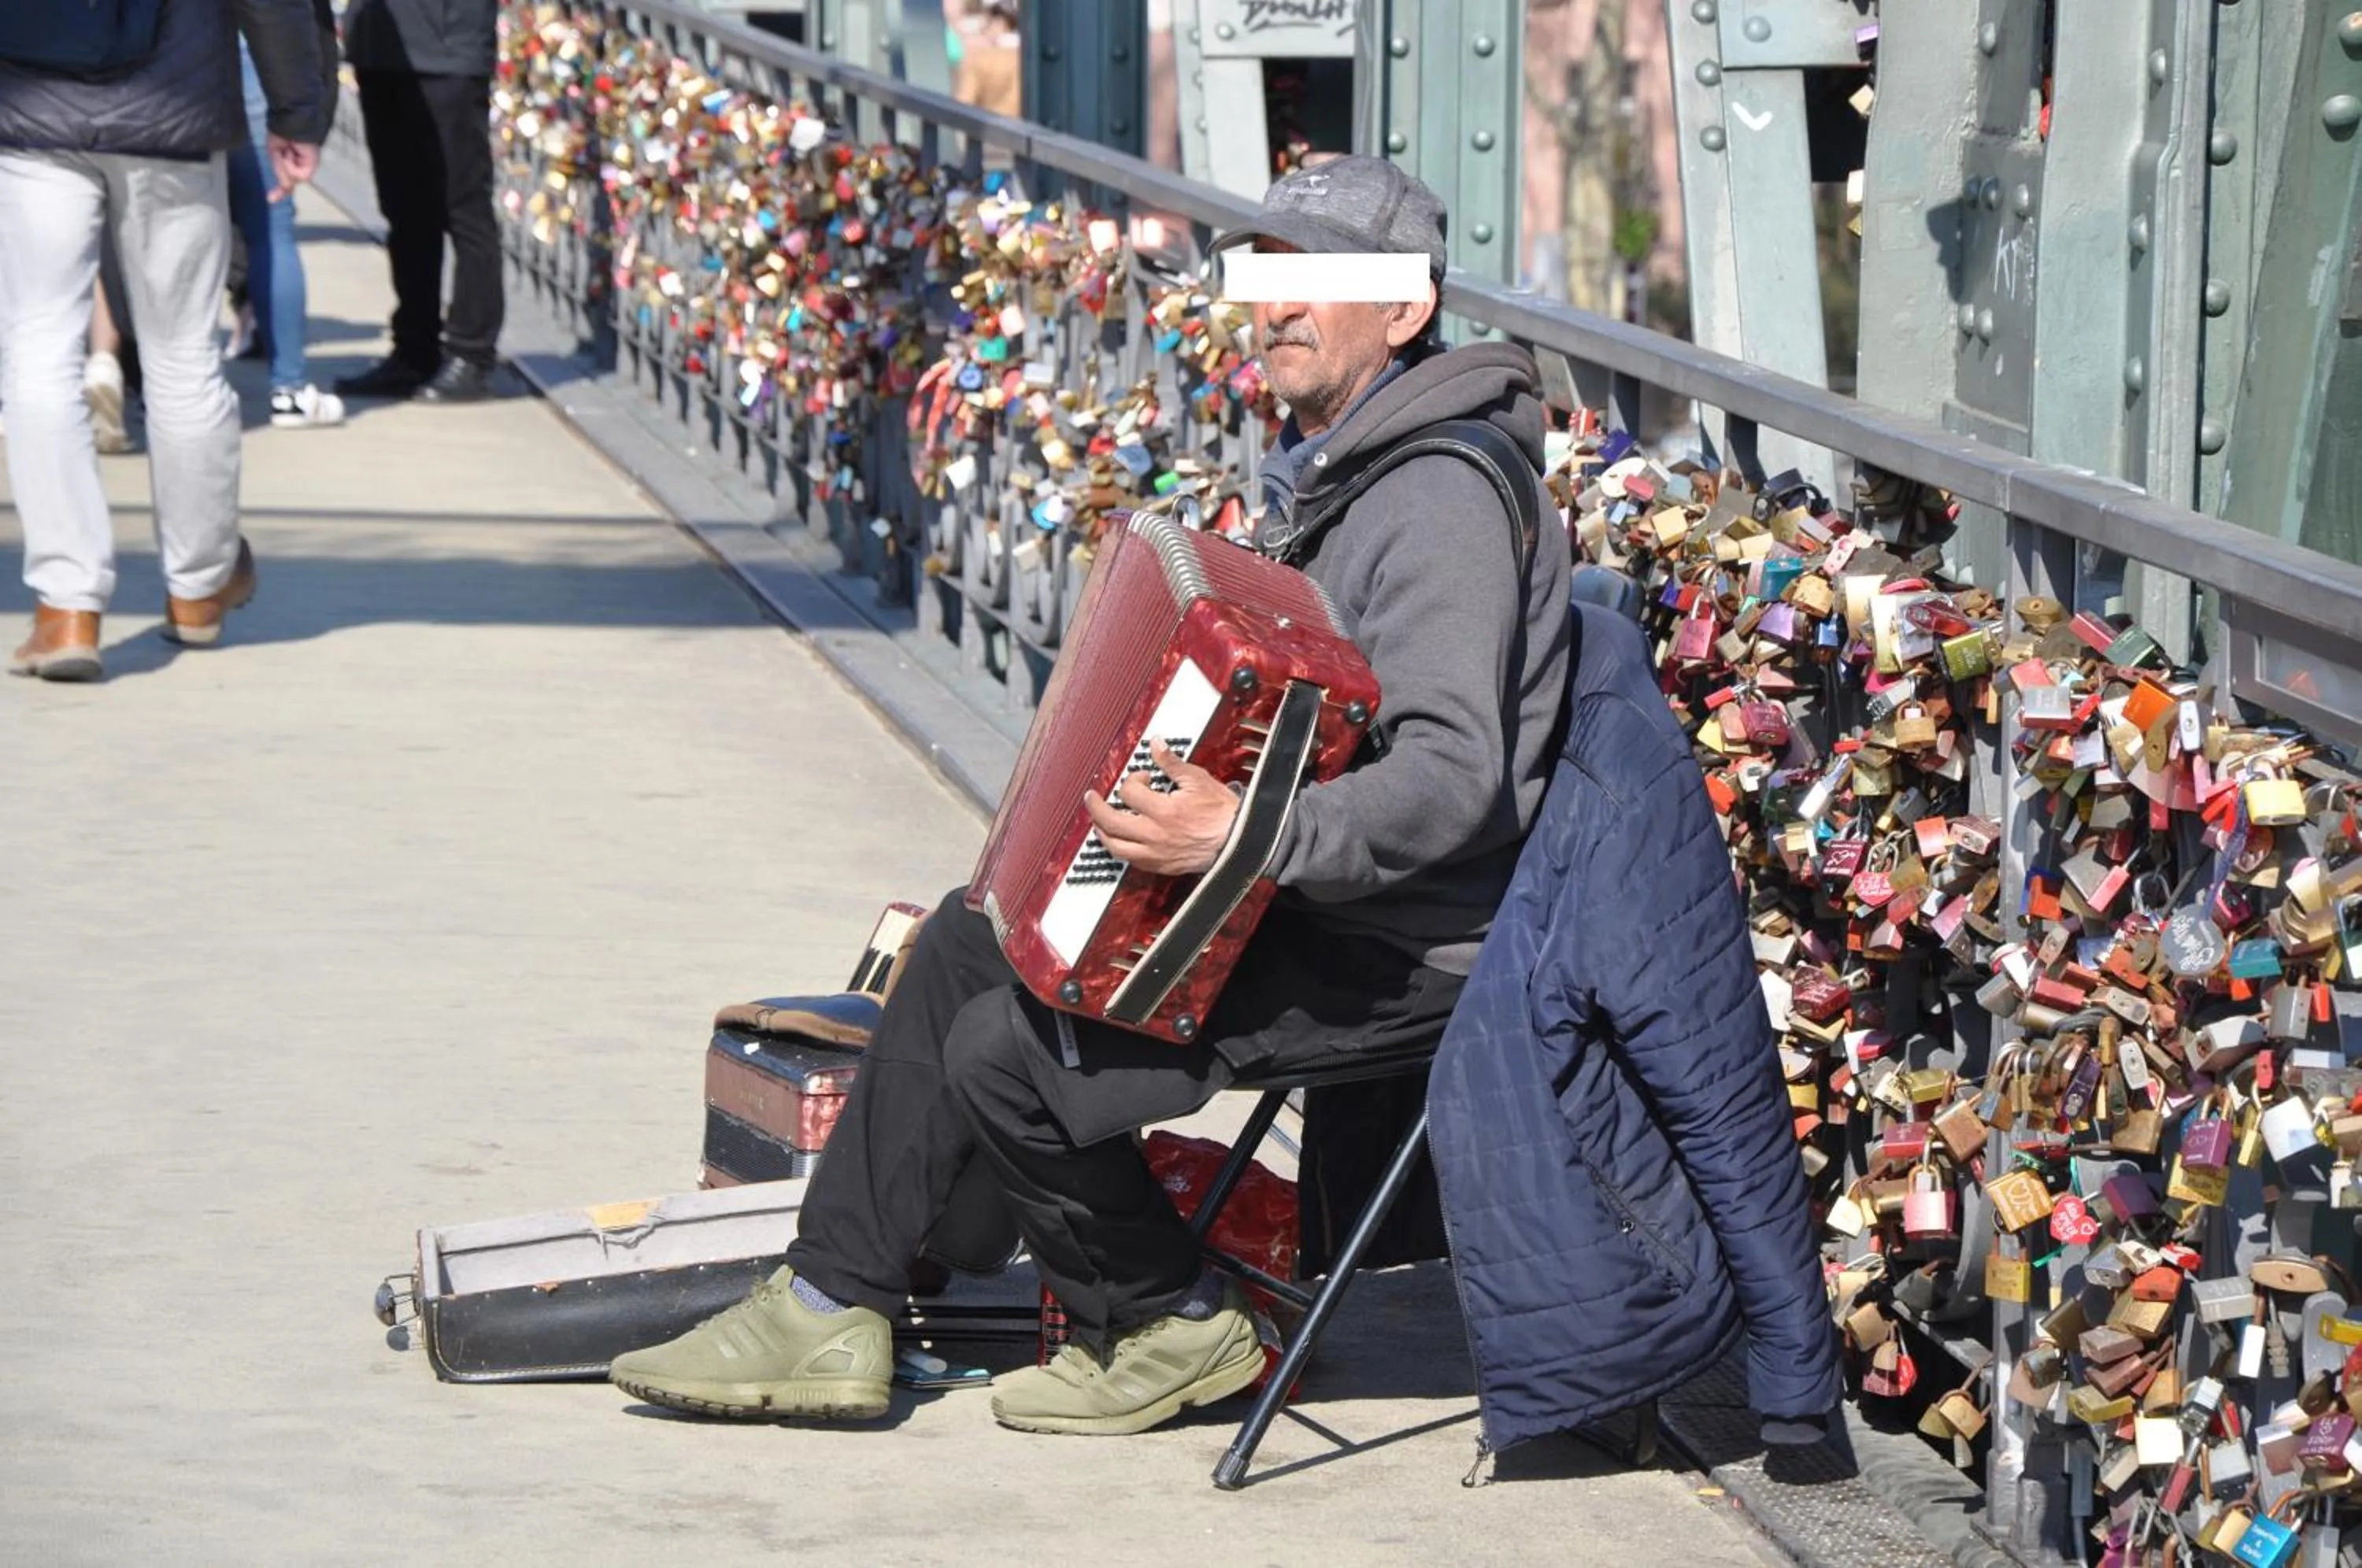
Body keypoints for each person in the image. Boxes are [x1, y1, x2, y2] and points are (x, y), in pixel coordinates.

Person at [609, 157, 1577, 1436]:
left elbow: (1453, 777)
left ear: (1405, 311)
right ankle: (831, 1299)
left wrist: (1239, 829)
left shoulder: (1438, 495)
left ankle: (1168, 1317)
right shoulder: (1347, 464)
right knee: (976, 936)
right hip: (1309, 884)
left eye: (1319, 282)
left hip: (1401, 941)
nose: (1278, 308)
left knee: (1010, 1042)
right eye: (1266, 277)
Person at [0, 0, 330, 683]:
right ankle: (200, 585)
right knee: (183, 353)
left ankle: (65, 605)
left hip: (30, 102)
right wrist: (297, 111)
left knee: (37, 351)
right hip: (172, 105)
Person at [335, 0, 502, 404]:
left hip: (449, 51)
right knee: (405, 211)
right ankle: (414, 349)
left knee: (463, 208)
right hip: (382, 50)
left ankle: (471, 353)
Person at [225, 6, 344, 428]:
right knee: (272, 228)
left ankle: (167, 391)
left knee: (177, 227)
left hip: (176, 50)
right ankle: (289, 389)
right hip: (259, 46)